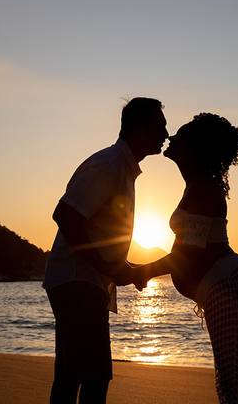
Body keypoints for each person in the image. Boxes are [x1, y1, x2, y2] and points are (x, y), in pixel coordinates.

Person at [42, 97, 168, 404]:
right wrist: (107, 267)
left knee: (75, 373)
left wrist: (121, 267)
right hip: (77, 281)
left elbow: (100, 233)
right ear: (139, 128)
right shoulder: (109, 165)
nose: (166, 133)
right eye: (160, 125)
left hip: (83, 281)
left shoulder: (121, 168)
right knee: (93, 376)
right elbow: (66, 215)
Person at [138, 113, 238, 404]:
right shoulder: (196, 187)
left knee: (235, 384)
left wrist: (140, 272)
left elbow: (186, 255)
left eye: (179, 136)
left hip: (229, 287)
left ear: (195, 149)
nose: (171, 138)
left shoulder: (203, 190)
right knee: (232, 381)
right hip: (224, 286)